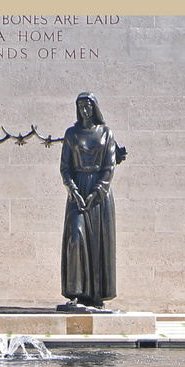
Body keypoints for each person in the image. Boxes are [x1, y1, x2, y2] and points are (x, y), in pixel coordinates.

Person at [59, 92, 123, 311]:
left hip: (99, 196)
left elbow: (109, 167)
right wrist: (74, 191)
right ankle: (76, 292)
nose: (84, 110)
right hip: (77, 193)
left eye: (87, 106)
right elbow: (65, 168)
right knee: (75, 238)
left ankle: (95, 296)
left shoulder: (106, 133)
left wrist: (96, 192)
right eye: (80, 106)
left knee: (97, 243)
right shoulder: (71, 134)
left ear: (94, 108)